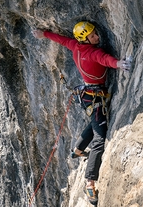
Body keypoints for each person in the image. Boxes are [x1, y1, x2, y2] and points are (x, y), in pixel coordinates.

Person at [32, 21, 130, 205]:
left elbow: (61, 40)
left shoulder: (75, 46)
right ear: (84, 38)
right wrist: (119, 64)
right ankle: (89, 183)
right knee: (100, 138)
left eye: (95, 33)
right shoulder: (94, 52)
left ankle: (77, 149)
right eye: (92, 36)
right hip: (95, 98)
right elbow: (106, 60)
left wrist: (43, 34)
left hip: (86, 96)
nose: (96, 37)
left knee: (95, 122)